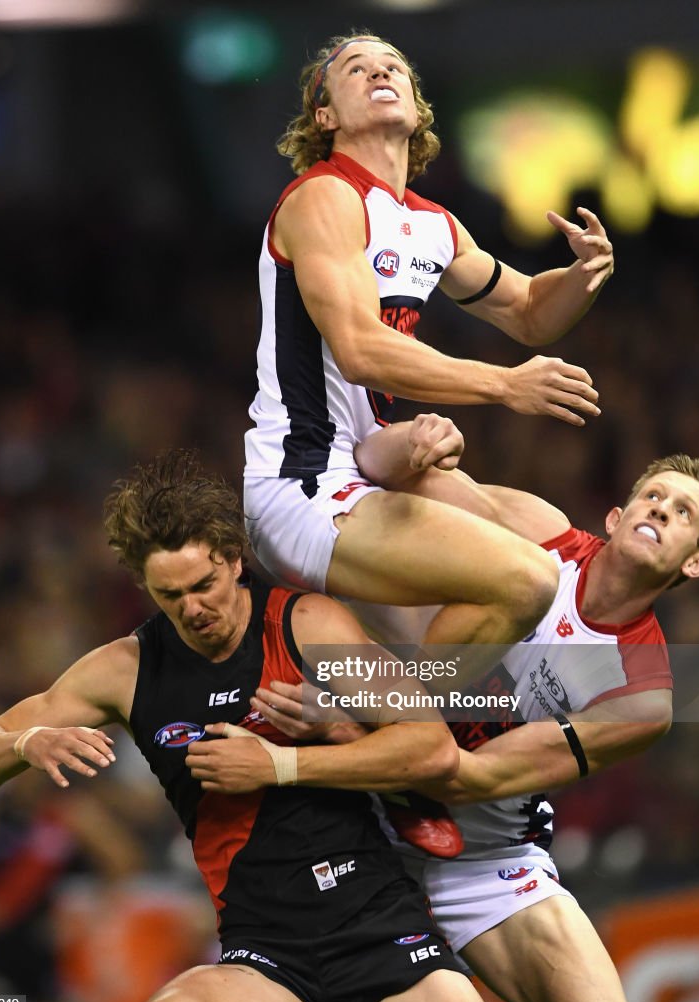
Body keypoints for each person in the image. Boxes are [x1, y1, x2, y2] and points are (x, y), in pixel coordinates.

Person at [0, 448, 497, 1002]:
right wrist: (23, 743)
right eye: (170, 595)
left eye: (203, 584)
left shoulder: (304, 624)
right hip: (264, 952)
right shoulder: (126, 668)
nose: (192, 608)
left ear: (234, 559)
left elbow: (430, 747)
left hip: (380, 925)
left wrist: (279, 766)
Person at [248, 430, 699, 1002]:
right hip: (356, 812)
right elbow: (371, 467)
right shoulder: (537, 535)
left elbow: (470, 779)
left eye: (682, 513)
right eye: (652, 496)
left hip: (482, 857)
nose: (660, 510)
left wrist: (350, 725)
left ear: (696, 562)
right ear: (616, 515)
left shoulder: (642, 696)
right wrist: (415, 441)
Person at [244, 31, 615, 684]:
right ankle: (416, 723)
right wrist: (502, 385)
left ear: (416, 110)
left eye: (392, 66)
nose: (378, 71)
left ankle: (443, 728)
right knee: (524, 580)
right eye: (355, 68)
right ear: (323, 115)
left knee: (546, 533)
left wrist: (583, 273)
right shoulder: (323, 198)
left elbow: (530, 310)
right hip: (304, 483)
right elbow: (359, 350)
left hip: (371, 463)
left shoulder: (431, 224)